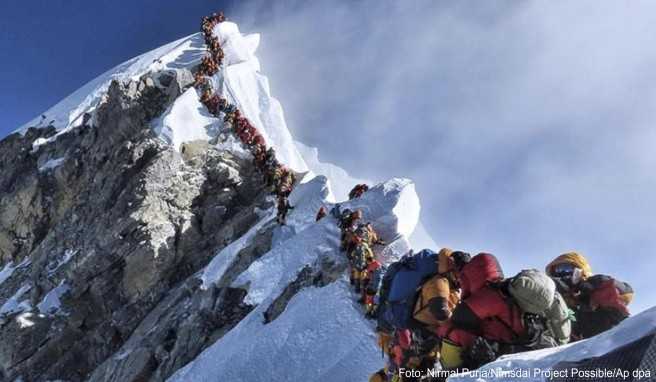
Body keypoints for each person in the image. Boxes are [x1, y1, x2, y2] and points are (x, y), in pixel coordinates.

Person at [545, 252, 633, 340]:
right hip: (579, 348)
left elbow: (626, 292)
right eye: (556, 272)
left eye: (565, 269)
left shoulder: (597, 288)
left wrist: (596, 284)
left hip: (615, 339)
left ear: (580, 270)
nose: (561, 274)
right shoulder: (558, 303)